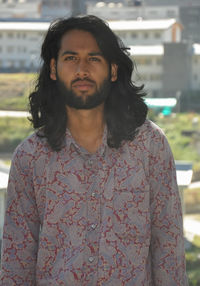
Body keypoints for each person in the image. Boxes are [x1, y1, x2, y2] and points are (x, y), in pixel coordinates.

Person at [0, 15, 188, 285]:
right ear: (53, 69)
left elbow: (168, 251)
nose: (82, 70)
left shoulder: (150, 146)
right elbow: (16, 264)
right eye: (71, 58)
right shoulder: (30, 158)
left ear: (112, 70)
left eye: (94, 59)